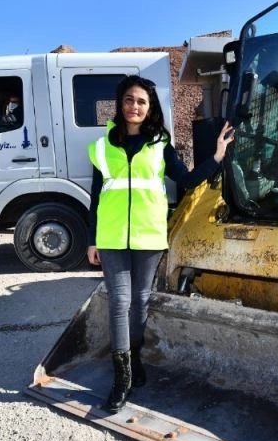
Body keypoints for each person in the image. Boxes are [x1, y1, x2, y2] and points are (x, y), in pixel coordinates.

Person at [87, 75, 234, 414]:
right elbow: (96, 196)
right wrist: (92, 239)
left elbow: (186, 181)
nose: (134, 106)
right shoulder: (101, 146)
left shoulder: (159, 145)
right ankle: (121, 377)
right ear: (120, 104)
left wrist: (216, 157)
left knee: (140, 300)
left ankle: (135, 360)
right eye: (128, 100)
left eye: (141, 101)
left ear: (149, 107)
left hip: (148, 236)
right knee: (118, 302)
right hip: (110, 237)